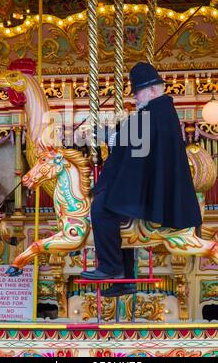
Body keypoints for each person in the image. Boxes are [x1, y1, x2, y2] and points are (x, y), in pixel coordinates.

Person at [81, 62, 202, 297]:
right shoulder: (159, 112)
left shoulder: (154, 113)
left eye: (137, 92)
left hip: (143, 183)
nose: (135, 97)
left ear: (153, 90)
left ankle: (110, 266)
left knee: (101, 209)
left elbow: (134, 144)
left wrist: (109, 136)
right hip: (143, 180)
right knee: (114, 206)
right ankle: (125, 279)